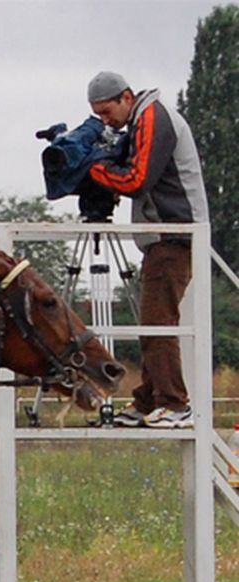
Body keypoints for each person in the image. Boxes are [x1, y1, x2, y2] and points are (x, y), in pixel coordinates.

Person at [86, 71, 209, 429]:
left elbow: (137, 180)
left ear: (126, 97)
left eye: (107, 112)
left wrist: (95, 169)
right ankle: (147, 401)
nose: (106, 122)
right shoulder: (143, 119)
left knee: (158, 323)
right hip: (163, 238)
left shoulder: (153, 117)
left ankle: (173, 404)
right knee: (152, 323)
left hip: (176, 235)